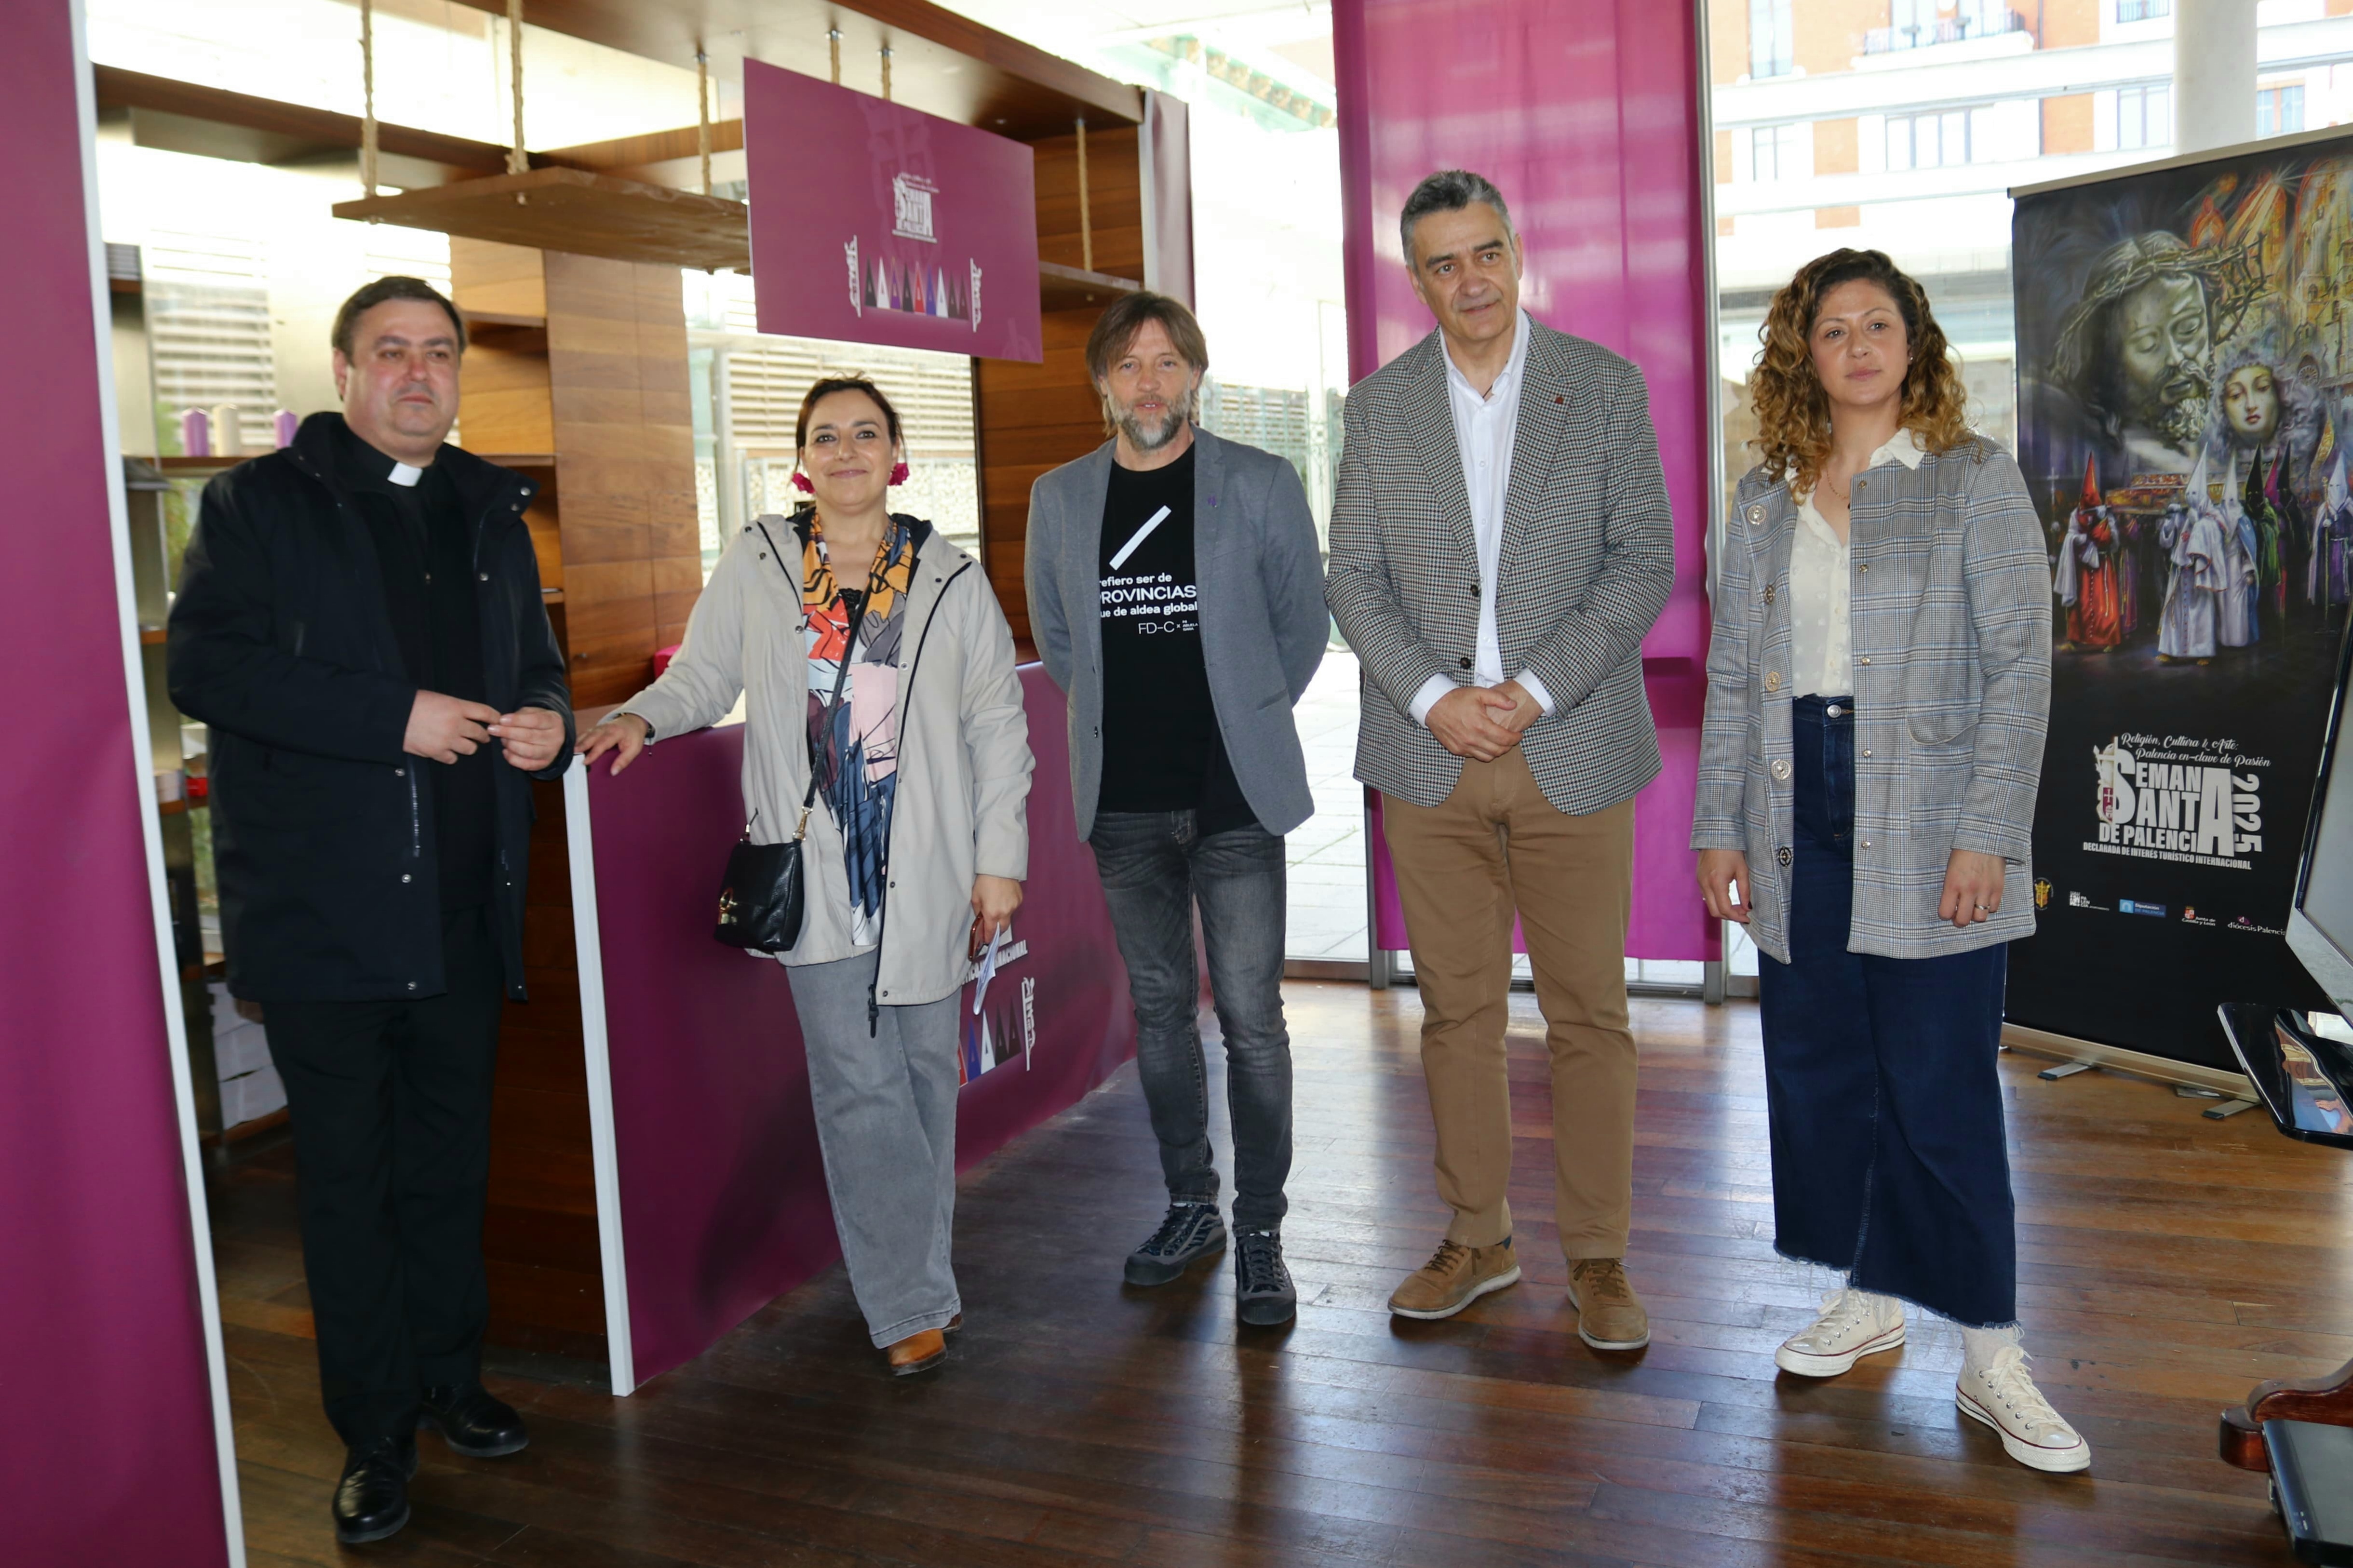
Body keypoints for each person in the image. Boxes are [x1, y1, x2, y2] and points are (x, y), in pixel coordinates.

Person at [166, 276, 574, 1543]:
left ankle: (452, 1380)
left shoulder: (490, 509)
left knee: (449, 1170)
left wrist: (550, 725)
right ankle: (374, 1435)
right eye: (390, 351)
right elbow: (208, 667)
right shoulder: (257, 503)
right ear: (343, 370)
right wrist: (392, 716)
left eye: (438, 352)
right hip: (326, 921)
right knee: (348, 1187)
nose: (417, 374)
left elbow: (536, 668)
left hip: (460, 914)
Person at [1693, 247, 2086, 1474]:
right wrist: (1716, 825)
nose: (1856, 345)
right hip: (1791, 802)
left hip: (1927, 808)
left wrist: (1987, 832)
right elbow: (1730, 674)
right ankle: (1866, 1291)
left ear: (1912, 342)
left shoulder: (1970, 478)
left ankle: (1989, 1347)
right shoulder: (1763, 496)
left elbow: (2019, 671)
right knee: (1823, 1067)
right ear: (1800, 356)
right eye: (1831, 329)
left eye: (1877, 324)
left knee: (1938, 1076)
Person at [577, 376, 1031, 1378]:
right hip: (815, 869)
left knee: (924, 1079)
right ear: (800, 461)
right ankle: (908, 1305)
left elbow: (998, 725)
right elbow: (705, 673)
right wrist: (643, 715)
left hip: (927, 868)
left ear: (896, 455)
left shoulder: (950, 576)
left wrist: (999, 860)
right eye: (825, 436)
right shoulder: (761, 561)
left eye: (865, 433)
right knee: (858, 1086)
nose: (845, 450)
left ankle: (920, 1278)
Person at [1326, 170, 1675, 1348]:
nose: (1469, 280)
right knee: (1454, 1013)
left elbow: (1641, 561)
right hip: (1426, 755)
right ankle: (1477, 1236)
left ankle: (1599, 1257)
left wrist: (1528, 692)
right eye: (1442, 263)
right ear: (1415, 280)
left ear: (1516, 252)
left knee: (1588, 1015)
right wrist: (1434, 701)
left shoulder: (1604, 388)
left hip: (1568, 742)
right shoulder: (1377, 408)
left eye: (1485, 253)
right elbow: (1350, 578)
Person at [1023, 292, 1328, 1325]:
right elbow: (1060, 642)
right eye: (1128, 365)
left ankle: (1260, 1230)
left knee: (1250, 1019)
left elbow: (1300, 628)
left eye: (1165, 363)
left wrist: (1245, 715)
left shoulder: (1259, 481)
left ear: (1195, 374)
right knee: (1158, 1015)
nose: (1147, 383)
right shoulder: (1060, 498)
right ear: (1102, 385)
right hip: (1123, 803)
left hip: (1234, 794)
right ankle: (1190, 1206)